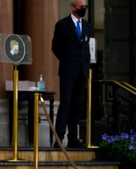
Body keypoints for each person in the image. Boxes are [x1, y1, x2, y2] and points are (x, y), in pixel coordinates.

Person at [52, 0, 91, 148]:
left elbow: (86, 46)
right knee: (65, 104)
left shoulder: (87, 26)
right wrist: (67, 59)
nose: (83, 9)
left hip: (82, 71)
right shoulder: (63, 25)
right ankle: (59, 138)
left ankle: (73, 137)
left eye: (85, 7)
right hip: (68, 71)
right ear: (73, 7)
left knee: (77, 105)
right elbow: (56, 46)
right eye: (81, 7)